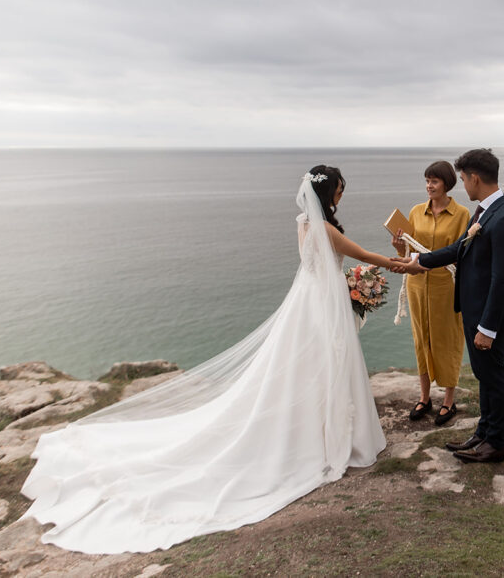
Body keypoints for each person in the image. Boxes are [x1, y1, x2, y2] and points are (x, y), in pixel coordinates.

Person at [21, 165, 392, 554]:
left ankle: (315, 426)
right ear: (328, 192)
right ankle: (324, 435)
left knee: (309, 370)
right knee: (323, 367)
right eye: (339, 190)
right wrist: (399, 264)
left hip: (311, 301)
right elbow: (362, 254)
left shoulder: (303, 223)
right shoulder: (326, 230)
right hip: (321, 305)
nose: (341, 196)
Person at [392, 149, 504, 464]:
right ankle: (483, 433)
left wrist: (487, 328)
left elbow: (502, 280)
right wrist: (418, 261)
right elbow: (456, 250)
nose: (463, 184)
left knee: (493, 377)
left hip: (486, 317)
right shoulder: (483, 212)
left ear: (474, 177)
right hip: (474, 310)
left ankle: (495, 444)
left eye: (463, 178)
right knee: (483, 375)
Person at [391, 160, 470, 426]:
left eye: (434, 181)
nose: (429, 186)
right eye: (426, 181)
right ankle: (425, 398)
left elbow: (464, 252)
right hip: (417, 285)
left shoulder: (462, 215)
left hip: (446, 287)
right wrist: (397, 245)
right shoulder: (415, 212)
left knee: (447, 340)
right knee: (421, 339)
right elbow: (408, 252)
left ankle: (449, 400)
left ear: (447, 183)